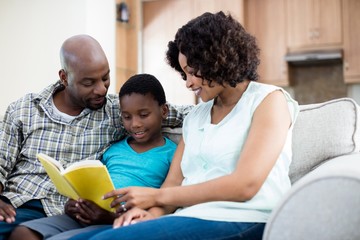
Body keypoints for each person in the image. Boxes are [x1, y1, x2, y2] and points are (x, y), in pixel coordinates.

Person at [68, 11, 300, 240]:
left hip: (245, 218)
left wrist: (155, 198)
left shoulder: (268, 100)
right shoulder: (196, 117)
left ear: (218, 60)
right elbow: (173, 184)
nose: (188, 83)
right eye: (184, 74)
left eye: (192, 72)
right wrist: (149, 215)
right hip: (189, 217)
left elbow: (245, 185)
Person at [0, 35, 190, 239]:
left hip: (67, 211)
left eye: (106, 78)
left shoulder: (117, 110)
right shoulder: (24, 109)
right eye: (89, 82)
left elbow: (184, 114)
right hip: (17, 204)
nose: (101, 89)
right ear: (65, 78)